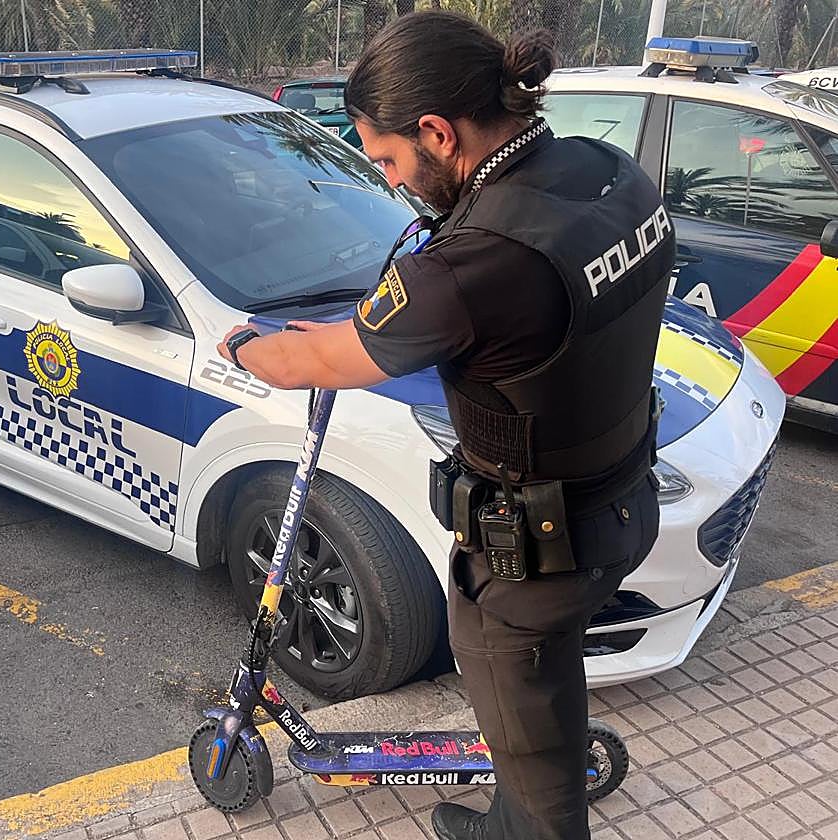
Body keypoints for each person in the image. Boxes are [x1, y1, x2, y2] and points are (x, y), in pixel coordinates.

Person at [216, 11, 674, 840]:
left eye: (390, 160)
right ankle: (516, 803)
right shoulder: (610, 174)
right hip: (622, 503)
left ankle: (524, 825)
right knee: (535, 699)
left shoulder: (472, 264)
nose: (392, 182)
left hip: (534, 559)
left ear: (437, 131)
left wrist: (248, 346)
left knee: (535, 766)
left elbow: (316, 360)